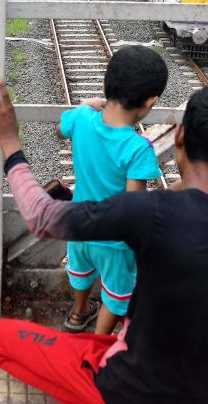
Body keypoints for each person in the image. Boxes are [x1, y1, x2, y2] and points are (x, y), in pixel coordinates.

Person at [0, 80, 208, 404]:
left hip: (136, 394)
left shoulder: (148, 215)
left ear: (179, 136)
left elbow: (41, 217)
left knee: (0, 338)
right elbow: (192, 209)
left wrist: (9, 140)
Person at [57, 45, 167, 335]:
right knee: (118, 296)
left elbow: (61, 129)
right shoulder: (138, 149)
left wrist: (86, 104)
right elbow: (134, 206)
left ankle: (78, 313)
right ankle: (98, 340)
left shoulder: (81, 119)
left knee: (80, 272)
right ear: (151, 102)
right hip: (114, 240)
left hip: (79, 225)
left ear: (106, 86)